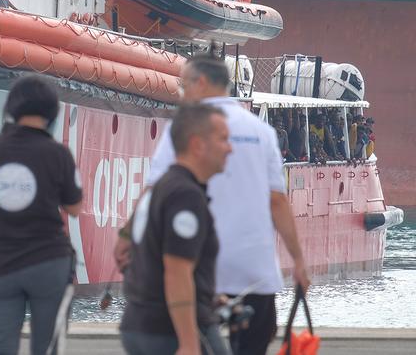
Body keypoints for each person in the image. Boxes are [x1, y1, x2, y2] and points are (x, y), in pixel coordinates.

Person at [116, 54, 311, 355]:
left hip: (196, 266)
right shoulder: (262, 132)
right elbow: (278, 201)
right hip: (252, 271)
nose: (183, 95)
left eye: (184, 87)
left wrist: (127, 236)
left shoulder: (185, 130)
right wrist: (298, 260)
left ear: (202, 83)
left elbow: (155, 189)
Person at [0, 76, 83, 355]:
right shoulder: (58, 153)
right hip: (48, 262)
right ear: (51, 112)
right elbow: (74, 207)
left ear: (11, 109)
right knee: (47, 348)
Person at [120, 104, 232, 355]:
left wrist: (206, 294)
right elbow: (176, 271)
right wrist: (189, 343)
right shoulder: (185, 196)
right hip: (169, 331)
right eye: (223, 139)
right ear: (197, 145)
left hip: (140, 323)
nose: (230, 148)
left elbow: (154, 260)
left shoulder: (162, 187)